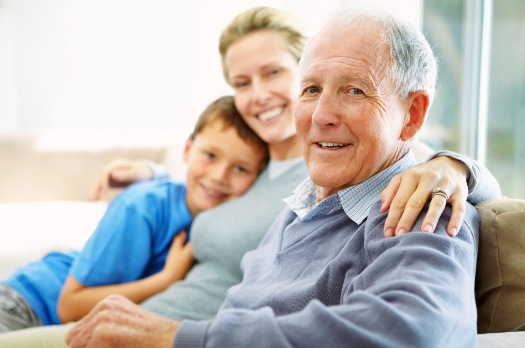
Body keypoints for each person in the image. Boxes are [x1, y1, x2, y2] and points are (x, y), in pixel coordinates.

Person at [0, 6, 500, 347]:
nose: (322, 114)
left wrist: (458, 167)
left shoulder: (414, 200)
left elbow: (417, 330)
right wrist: (153, 174)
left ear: (411, 116)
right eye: (311, 89)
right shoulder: (297, 182)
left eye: (352, 90)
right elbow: (202, 179)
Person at [0, 95, 268, 332]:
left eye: (241, 169)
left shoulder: (226, 222)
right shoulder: (141, 206)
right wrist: (166, 279)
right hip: (24, 304)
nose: (219, 176)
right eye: (210, 155)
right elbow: (69, 305)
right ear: (188, 150)